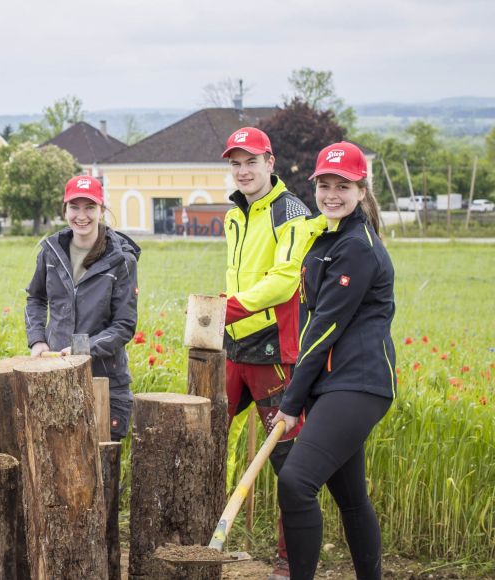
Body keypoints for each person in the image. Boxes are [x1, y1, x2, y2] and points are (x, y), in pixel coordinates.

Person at [271, 142, 396, 580]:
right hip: (334, 385)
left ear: (361, 190)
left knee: (296, 481)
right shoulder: (330, 237)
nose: (331, 194)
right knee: (351, 498)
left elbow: (324, 328)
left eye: (342, 186)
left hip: (359, 384)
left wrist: (290, 402)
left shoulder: (357, 247)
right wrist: (304, 394)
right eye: (324, 185)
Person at [221, 127, 315, 579]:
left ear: (270, 162)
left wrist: (230, 307)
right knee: (203, 437)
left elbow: (285, 279)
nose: (243, 170)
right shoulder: (233, 214)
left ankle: (287, 559)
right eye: (236, 163)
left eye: (251, 161)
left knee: (287, 460)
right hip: (233, 344)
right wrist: (225, 311)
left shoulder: (291, 210)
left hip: (274, 348)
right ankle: (200, 541)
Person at [25, 175, 140, 441]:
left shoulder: (121, 259)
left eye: (89, 207)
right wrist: (38, 340)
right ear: (64, 209)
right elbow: (36, 298)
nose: (81, 215)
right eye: (74, 207)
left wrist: (83, 348)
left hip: (105, 381)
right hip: (56, 377)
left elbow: (124, 325)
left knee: (103, 467)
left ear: (101, 210)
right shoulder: (50, 252)